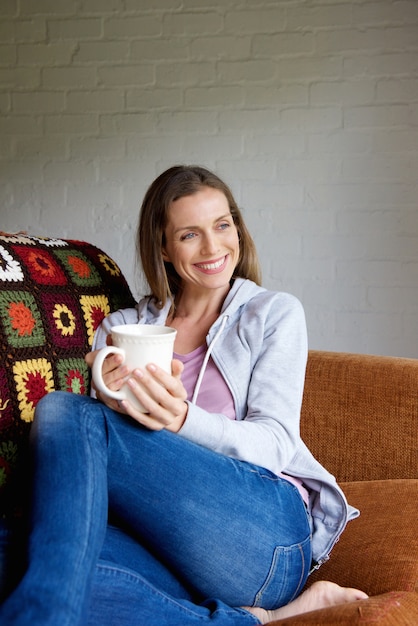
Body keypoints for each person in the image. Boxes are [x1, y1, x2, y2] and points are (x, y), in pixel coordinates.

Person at [0, 165, 367, 625]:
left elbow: (275, 442)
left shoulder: (271, 314)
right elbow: (101, 464)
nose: (213, 248)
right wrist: (111, 402)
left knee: (60, 410)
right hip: (159, 540)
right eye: (190, 234)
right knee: (13, 557)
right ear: (164, 248)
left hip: (260, 537)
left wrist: (181, 419)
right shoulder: (120, 329)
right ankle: (255, 621)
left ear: (237, 229)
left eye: (222, 225)